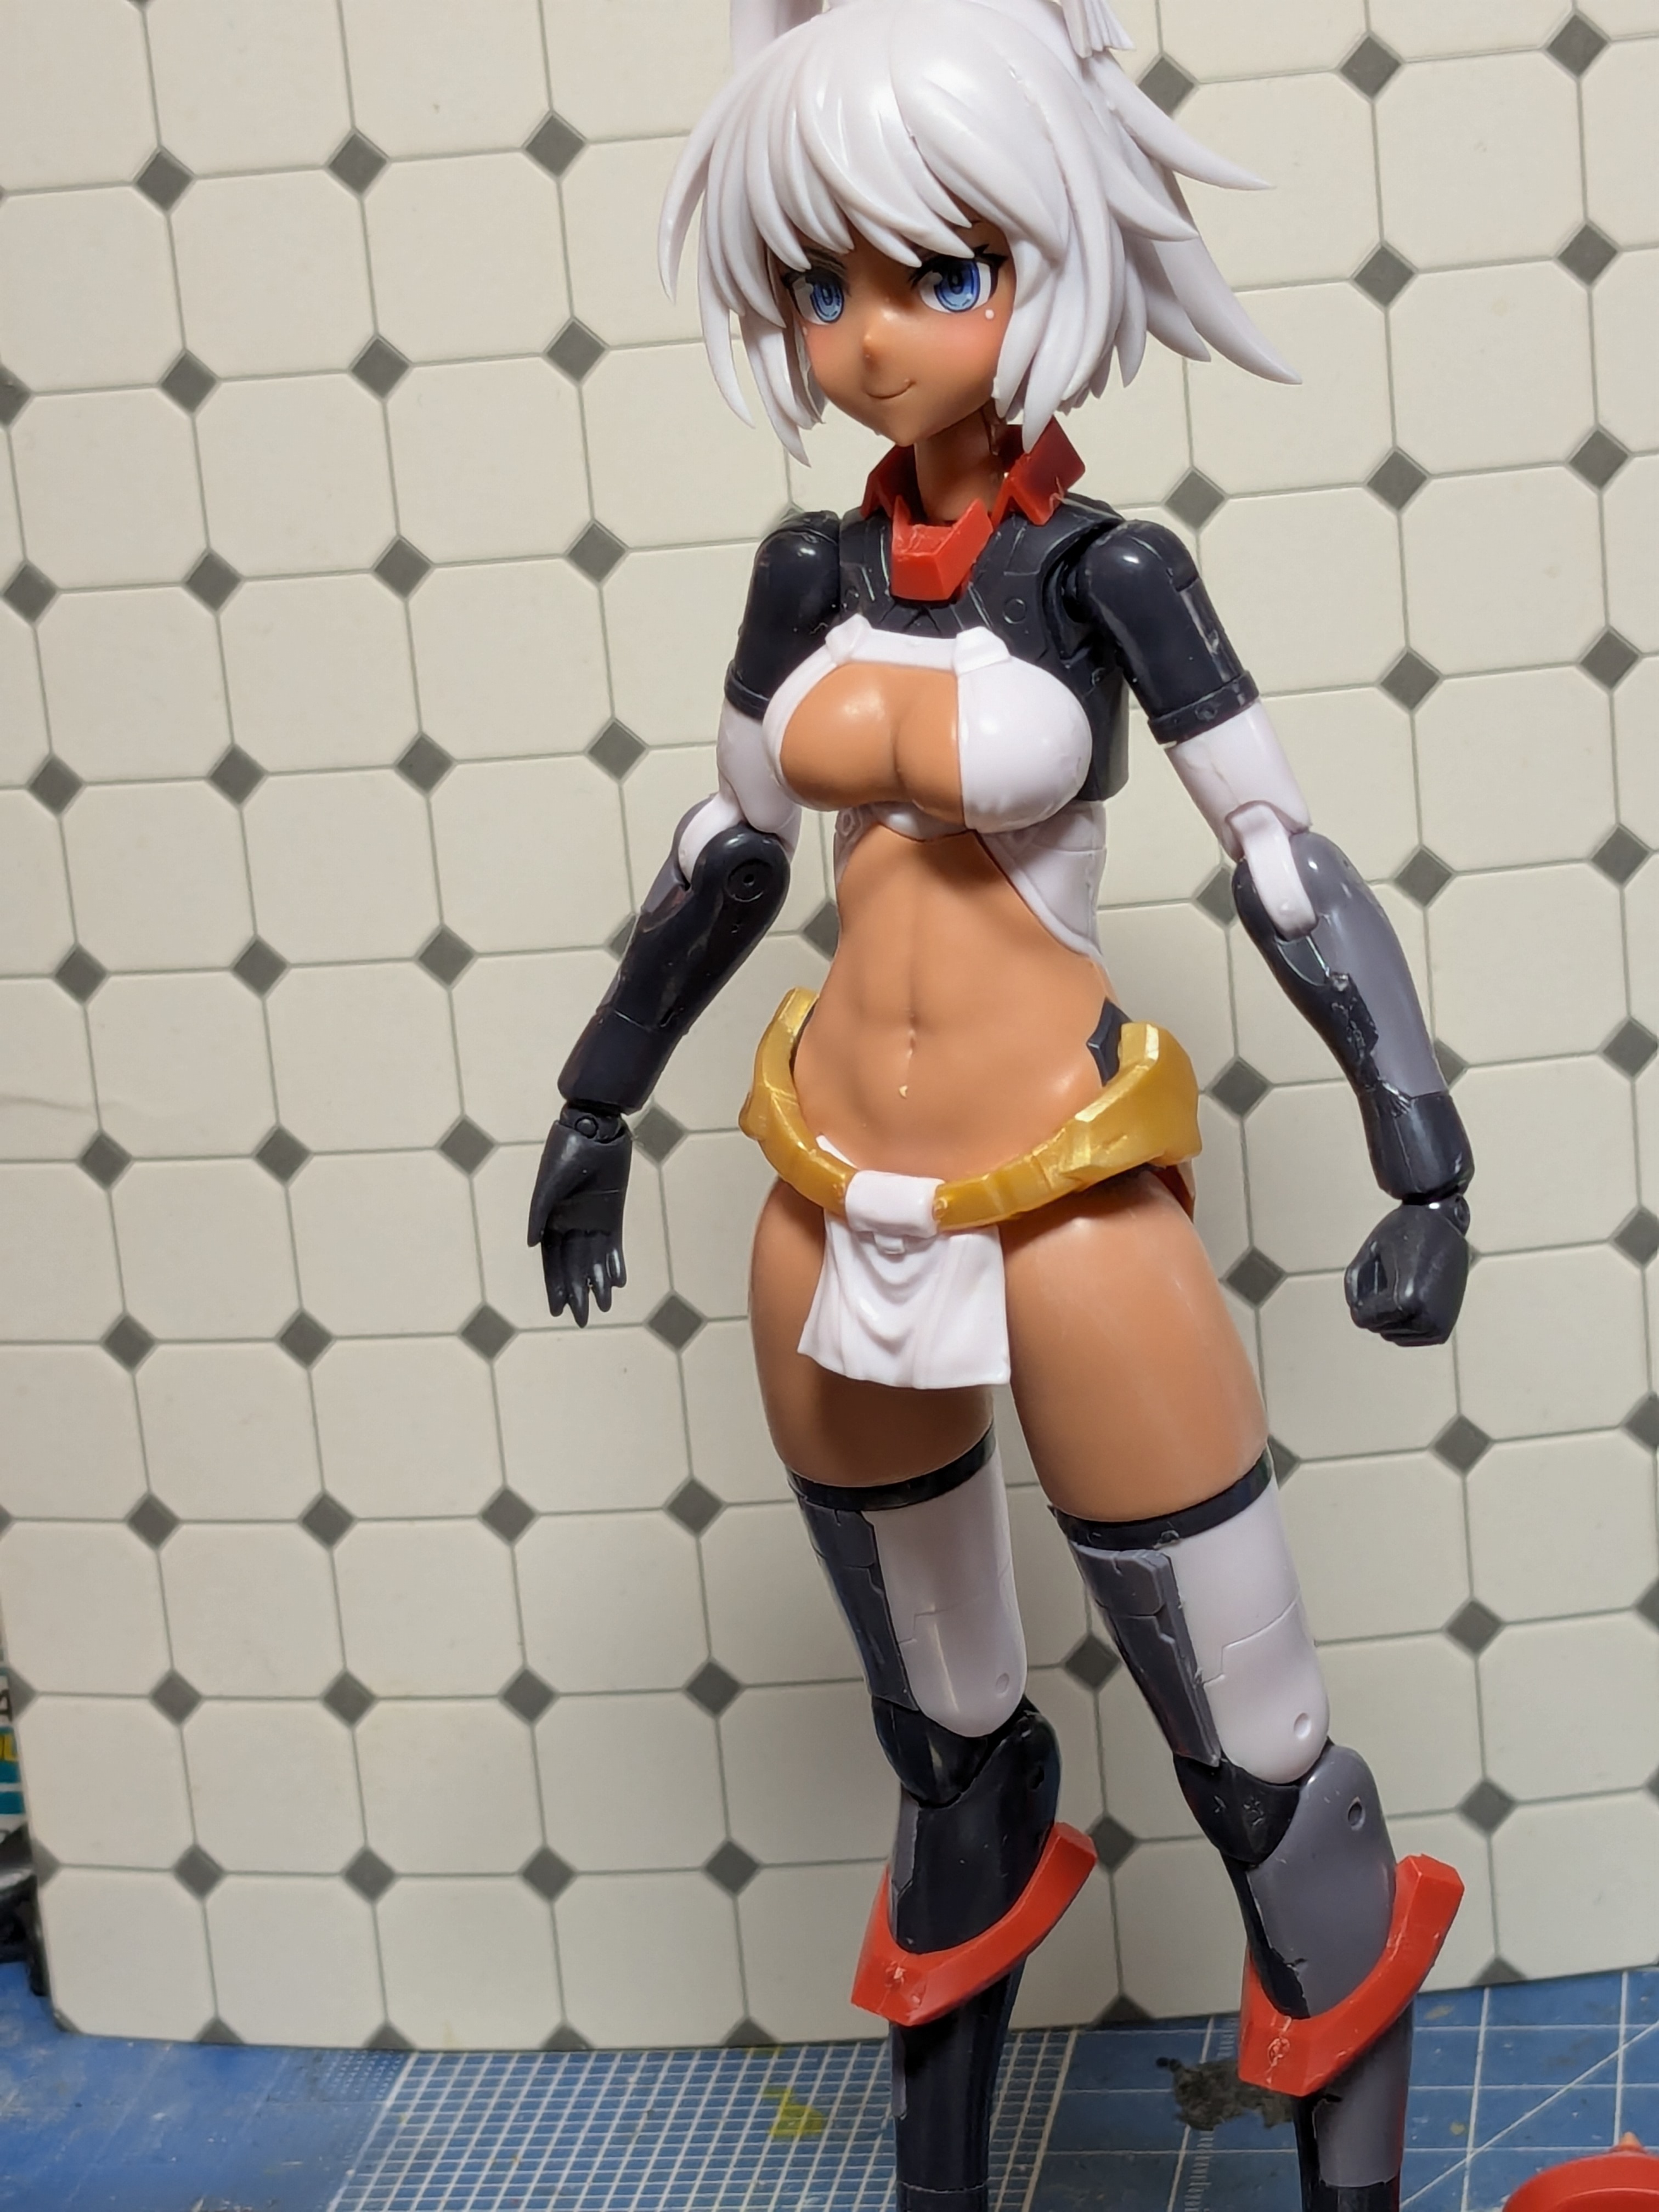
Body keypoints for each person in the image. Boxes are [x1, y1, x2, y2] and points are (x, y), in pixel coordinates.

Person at [531, 4, 1474, 2206]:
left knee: (1258, 1758)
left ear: (1053, 261)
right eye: (820, 282)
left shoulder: (1106, 575)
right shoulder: (809, 574)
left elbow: (1279, 858)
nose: (870, 335)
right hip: (825, 1186)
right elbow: (732, 854)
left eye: (939, 271)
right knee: (946, 1745)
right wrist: (599, 1099)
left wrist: (1418, 1144)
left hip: (1065, 1201)